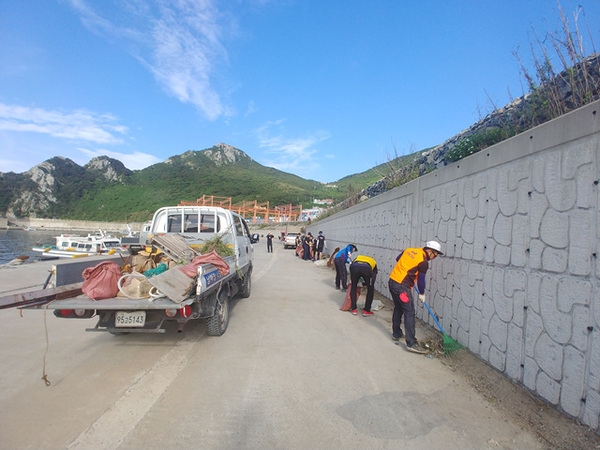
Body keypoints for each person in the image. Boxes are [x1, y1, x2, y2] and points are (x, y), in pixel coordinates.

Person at [388, 240, 443, 354]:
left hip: (392, 282)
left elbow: (398, 259)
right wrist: (422, 293)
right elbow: (421, 280)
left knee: (398, 308)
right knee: (409, 312)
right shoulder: (423, 262)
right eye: (434, 254)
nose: (434, 257)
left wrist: (408, 271)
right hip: (402, 288)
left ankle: (396, 333)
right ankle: (411, 343)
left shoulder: (409, 250)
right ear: (429, 251)